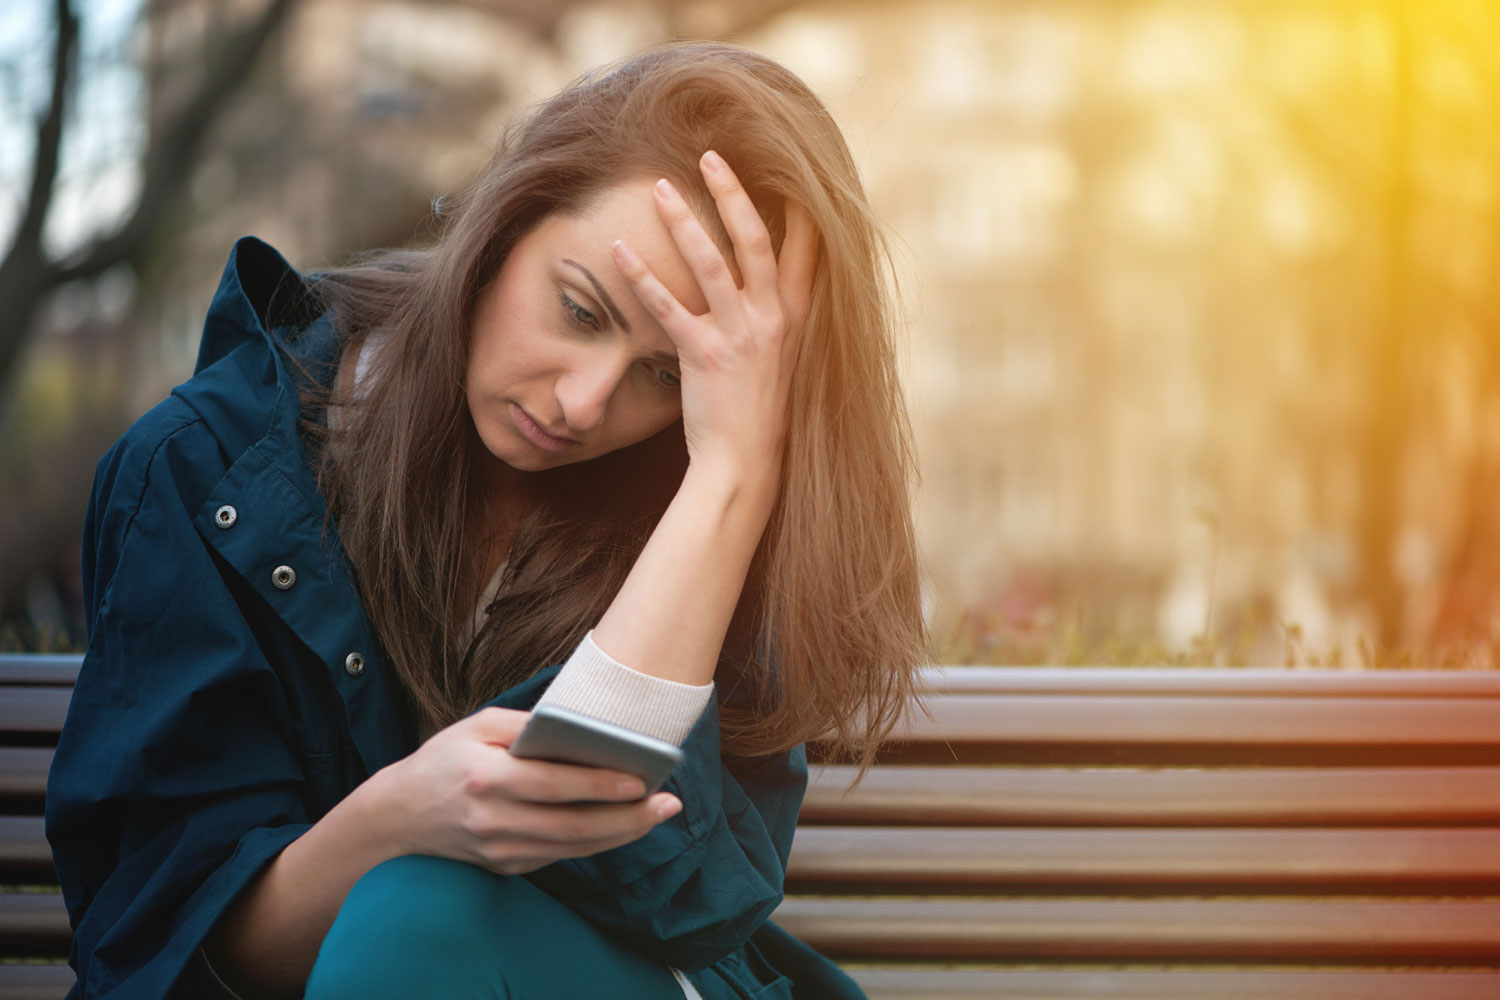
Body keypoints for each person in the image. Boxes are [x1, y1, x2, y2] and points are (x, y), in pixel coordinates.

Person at [46, 40, 926, 1000]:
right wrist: (397, 821)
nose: (587, 403)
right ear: (506, 221)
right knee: (413, 911)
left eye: (666, 375)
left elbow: (678, 913)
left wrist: (732, 473)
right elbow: (160, 950)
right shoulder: (202, 468)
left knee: (420, 917)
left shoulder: (708, 500)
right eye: (581, 311)